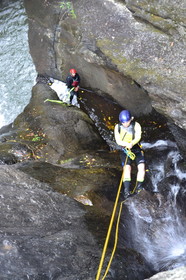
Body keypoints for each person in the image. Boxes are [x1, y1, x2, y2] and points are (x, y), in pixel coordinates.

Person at [114, 110, 145, 198]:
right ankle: (127, 190)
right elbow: (118, 140)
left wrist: (132, 143)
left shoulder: (136, 125)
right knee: (127, 168)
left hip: (136, 148)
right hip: (125, 149)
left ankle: (139, 188)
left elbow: (138, 136)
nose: (125, 124)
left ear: (130, 120)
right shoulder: (118, 127)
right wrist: (126, 144)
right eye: (123, 122)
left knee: (141, 167)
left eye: (127, 122)